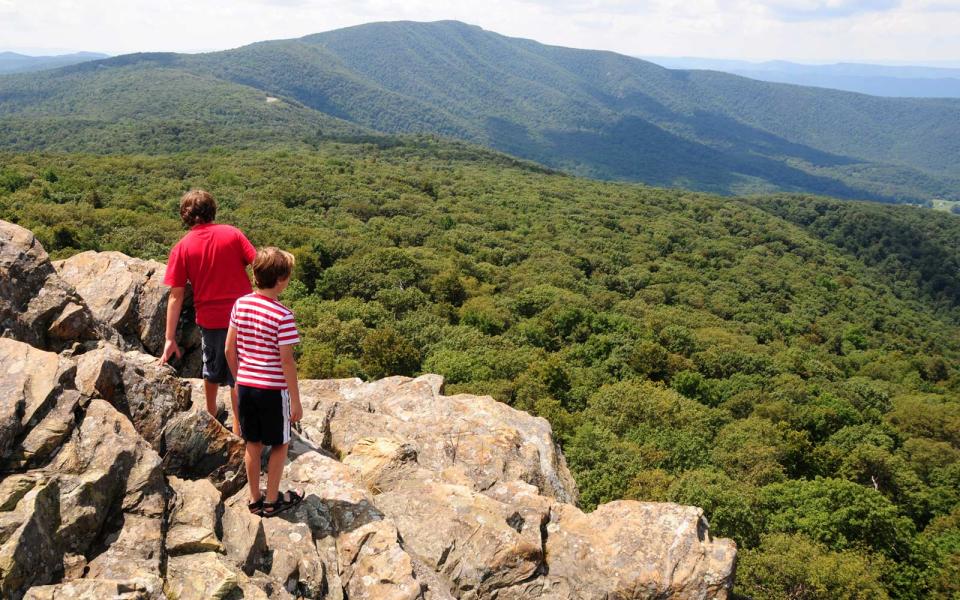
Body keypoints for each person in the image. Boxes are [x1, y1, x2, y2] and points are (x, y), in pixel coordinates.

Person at [161, 189, 255, 436]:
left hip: (211, 320)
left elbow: (176, 295)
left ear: (185, 215)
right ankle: (238, 430)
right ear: (213, 211)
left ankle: (211, 414)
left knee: (212, 369)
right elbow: (258, 265)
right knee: (239, 374)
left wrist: (170, 338)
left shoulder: (182, 248)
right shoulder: (232, 234)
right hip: (244, 316)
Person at [225, 247, 304, 517]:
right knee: (280, 444)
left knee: (253, 445)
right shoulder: (283, 316)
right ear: (281, 280)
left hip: (245, 386)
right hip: (272, 391)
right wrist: (295, 400)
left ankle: (254, 498)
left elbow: (228, 349)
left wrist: (239, 379)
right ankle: (271, 502)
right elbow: (286, 362)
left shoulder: (241, 304)